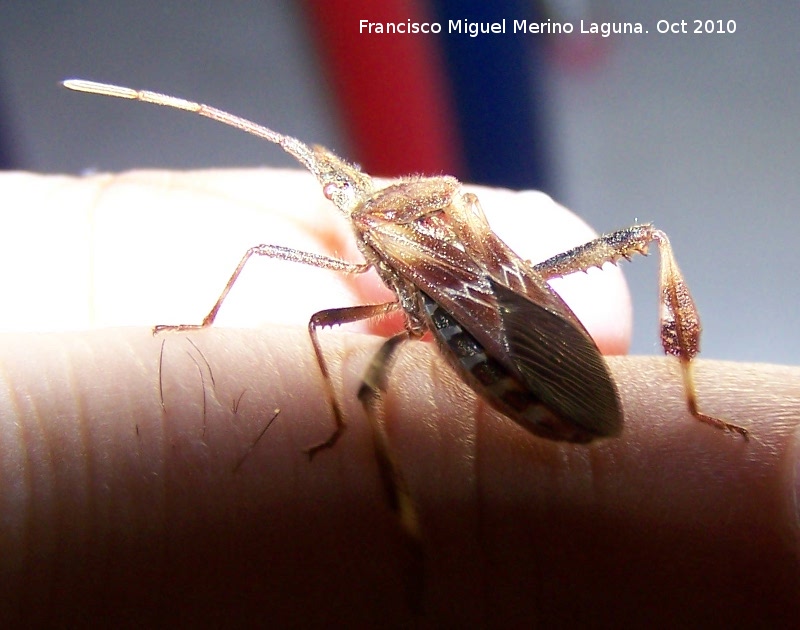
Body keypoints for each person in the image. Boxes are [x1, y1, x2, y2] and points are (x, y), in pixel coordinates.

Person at [1, 169, 797, 625]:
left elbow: (307, 303)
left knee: (341, 354)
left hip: (478, 346)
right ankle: (691, 401)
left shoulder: (389, 231)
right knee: (650, 236)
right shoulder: (443, 203)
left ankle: (401, 529)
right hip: (520, 337)